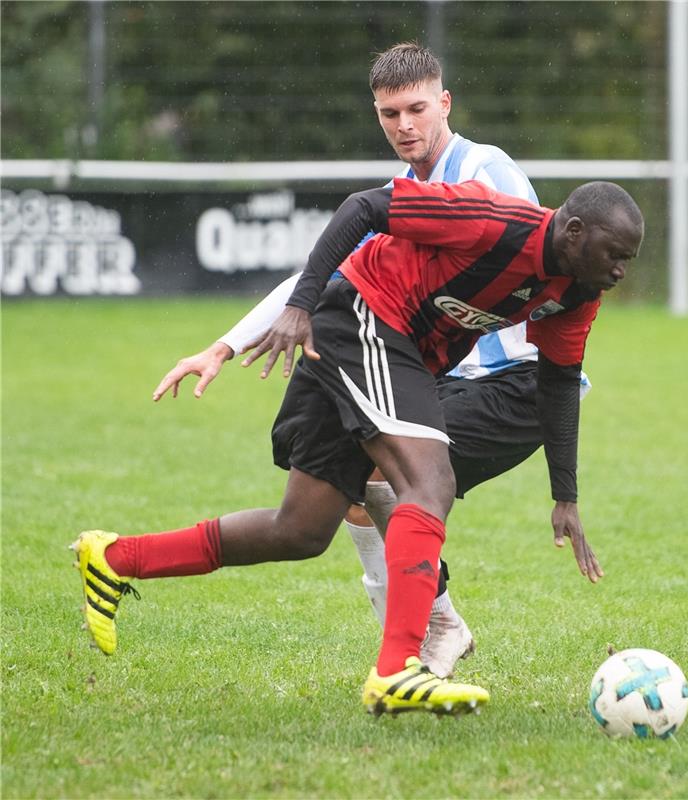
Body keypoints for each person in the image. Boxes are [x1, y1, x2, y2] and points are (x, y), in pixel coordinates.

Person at [72, 176, 644, 716]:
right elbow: (364, 208)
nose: (620, 270)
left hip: (382, 348)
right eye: (613, 253)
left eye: (628, 259)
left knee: (299, 530)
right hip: (363, 317)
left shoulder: (576, 293)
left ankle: (117, 558)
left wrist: (564, 495)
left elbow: (560, 380)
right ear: (573, 232)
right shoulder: (492, 220)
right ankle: (397, 669)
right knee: (430, 480)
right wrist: (300, 306)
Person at [152, 43, 586, 680]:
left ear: (444, 104)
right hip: (450, 378)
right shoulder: (403, 190)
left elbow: (533, 262)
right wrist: (224, 345)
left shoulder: (486, 174)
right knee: (352, 493)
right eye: (389, 114)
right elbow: (324, 274)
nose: (404, 125)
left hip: (510, 381)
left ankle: (422, 645)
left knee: (386, 482)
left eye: (416, 109)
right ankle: (424, 640)